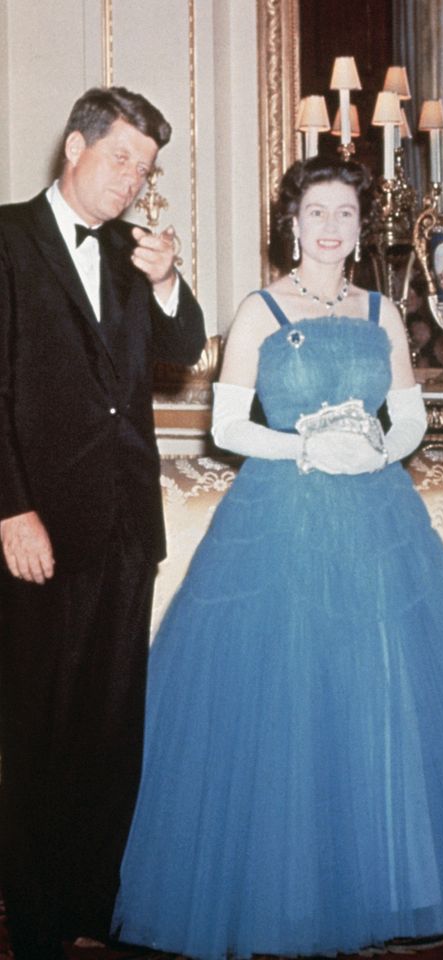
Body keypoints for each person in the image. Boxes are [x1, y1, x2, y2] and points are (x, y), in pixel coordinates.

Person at [111, 156, 443, 960]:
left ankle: (389, 878)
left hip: (373, 514)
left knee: (378, 689)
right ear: (292, 222)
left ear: (359, 226)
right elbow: (229, 428)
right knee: (285, 697)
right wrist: (308, 445)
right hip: (282, 512)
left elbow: (417, 416)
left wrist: (379, 447)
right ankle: (284, 889)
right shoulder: (259, 310)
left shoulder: (383, 309)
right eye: (317, 212)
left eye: (345, 214)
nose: (330, 228)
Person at [0, 87, 205, 959]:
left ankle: (93, 901)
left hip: (127, 523)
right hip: (38, 523)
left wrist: (167, 284)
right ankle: (40, 925)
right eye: (121, 158)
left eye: (146, 169)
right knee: (39, 731)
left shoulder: (132, 252)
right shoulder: (5, 241)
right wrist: (10, 507)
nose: (132, 181)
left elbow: (178, 354)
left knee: (112, 731)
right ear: (75, 147)